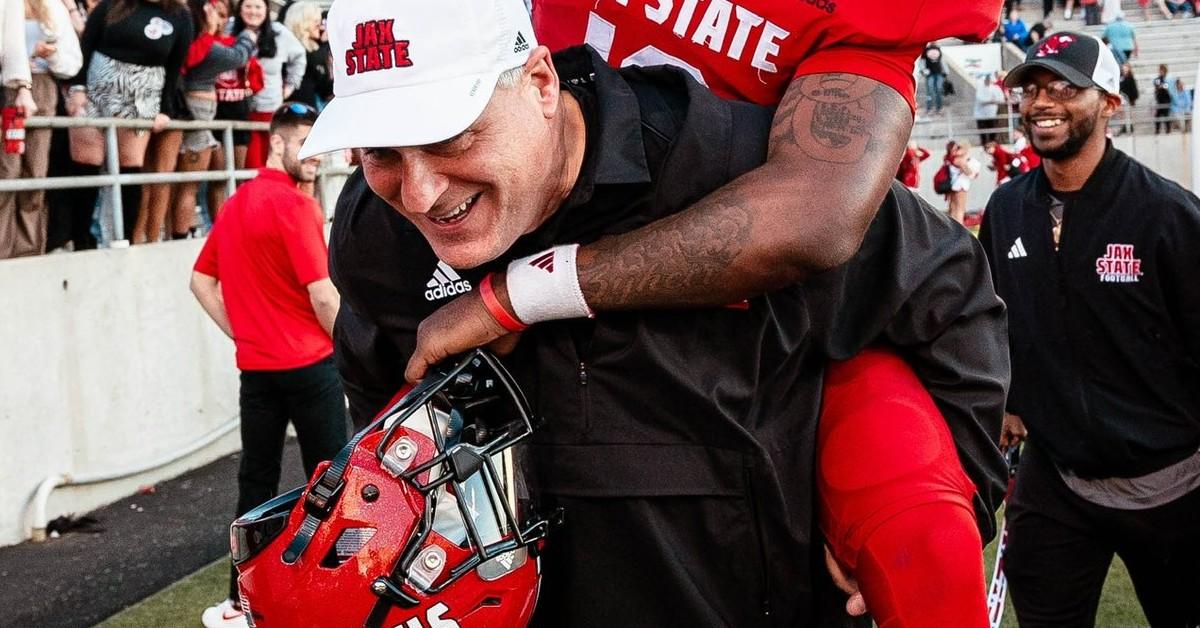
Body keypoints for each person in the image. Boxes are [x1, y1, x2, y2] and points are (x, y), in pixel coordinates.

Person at [310, 1, 1008, 626]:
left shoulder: (733, 162)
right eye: (382, 151)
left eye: (451, 135)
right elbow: (386, 421)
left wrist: (926, 517)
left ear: (541, 84)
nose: (424, 191)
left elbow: (929, 285)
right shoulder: (380, 232)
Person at [980, 32, 1200, 628]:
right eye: (1031, 89)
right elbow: (997, 321)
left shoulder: (1169, 215)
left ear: (1108, 102)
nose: (1041, 102)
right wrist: (1011, 398)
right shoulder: (1005, 210)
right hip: (1057, 475)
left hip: (1174, 484)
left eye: (1064, 88)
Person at [190, 102, 347, 628]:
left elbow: (200, 282)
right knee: (332, 480)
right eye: (303, 142)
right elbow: (324, 297)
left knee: (255, 483)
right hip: (309, 365)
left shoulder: (237, 203)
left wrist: (244, 332)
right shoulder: (296, 206)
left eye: (317, 145)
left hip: (257, 370)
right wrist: (354, 352)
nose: (313, 156)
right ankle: (333, 594)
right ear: (277, 143)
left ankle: (241, 602)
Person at [67, 0, 193, 242]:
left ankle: (123, 239)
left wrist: (165, 109)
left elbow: (175, 66)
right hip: (96, 89)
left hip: (142, 96)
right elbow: (86, 46)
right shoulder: (111, 5)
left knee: (130, 164)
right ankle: (81, 239)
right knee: (86, 161)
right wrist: (78, 88)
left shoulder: (180, 15)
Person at [166, 0, 255, 239]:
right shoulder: (203, 47)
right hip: (199, 112)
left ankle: (177, 232)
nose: (220, 18)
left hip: (197, 111)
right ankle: (179, 235)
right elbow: (238, 56)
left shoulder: (192, 43)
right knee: (189, 185)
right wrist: (248, 35)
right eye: (215, 12)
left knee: (184, 184)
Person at [0, 0, 79, 259]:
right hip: (6, 87)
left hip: (42, 86)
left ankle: (28, 249)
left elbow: (72, 62)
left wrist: (51, 54)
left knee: (35, 172)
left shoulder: (53, 7)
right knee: (6, 171)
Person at [233, 0, 303, 169]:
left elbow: (299, 57)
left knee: (267, 165)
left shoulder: (279, 33)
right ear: (240, 8)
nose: (253, 11)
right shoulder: (230, 29)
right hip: (237, 109)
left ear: (266, 9)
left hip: (268, 111)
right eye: (248, 6)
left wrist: (290, 86)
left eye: (258, 7)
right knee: (245, 168)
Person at [281, 0, 328, 110]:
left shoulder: (314, 47)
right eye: (316, 22)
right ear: (303, 23)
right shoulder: (292, 46)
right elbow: (312, 60)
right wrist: (325, 44)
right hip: (295, 108)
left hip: (310, 107)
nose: (320, 26)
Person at [944, 139, 980, 225]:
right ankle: (958, 228)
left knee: (953, 208)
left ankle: (952, 227)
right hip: (961, 186)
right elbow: (969, 173)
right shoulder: (960, 160)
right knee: (960, 209)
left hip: (954, 185)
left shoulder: (951, 158)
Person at [975, 73, 1008, 144]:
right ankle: (984, 143)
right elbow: (980, 99)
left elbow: (1001, 98)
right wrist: (991, 100)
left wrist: (992, 100)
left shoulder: (996, 88)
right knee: (982, 130)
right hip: (981, 114)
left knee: (992, 129)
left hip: (992, 113)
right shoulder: (980, 88)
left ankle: (992, 142)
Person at [922, 42, 947, 116]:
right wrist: (923, 70)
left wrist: (945, 71)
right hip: (930, 74)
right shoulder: (925, 50)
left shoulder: (939, 49)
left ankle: (938, 108)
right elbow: (922, 61)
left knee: (938, 91)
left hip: (938, 73)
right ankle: (929, 109)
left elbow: (942, 60)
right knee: (930, 92)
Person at [1153, 63, 1174, 134]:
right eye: (1160, 70)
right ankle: (1157, 129)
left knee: (1166, 114)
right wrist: (1160, 86)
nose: (1161, 72)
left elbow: (1167, 87)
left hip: (1166, 99)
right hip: (1160, 99)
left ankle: (1168, 129)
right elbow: (1157, 85)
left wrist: (1163, 86)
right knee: (1158, 115)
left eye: (1162, 70)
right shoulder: (1158, 79)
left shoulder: (1168, 79)